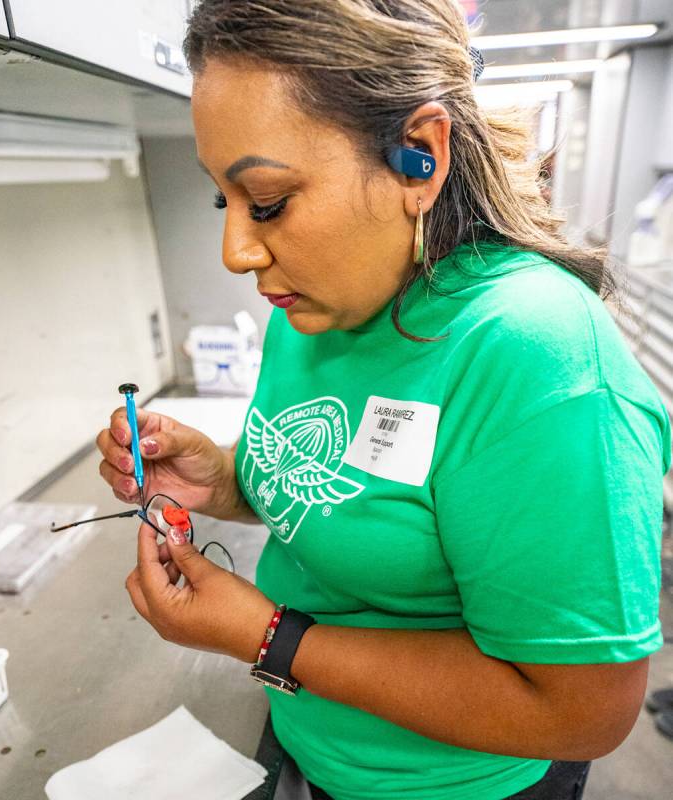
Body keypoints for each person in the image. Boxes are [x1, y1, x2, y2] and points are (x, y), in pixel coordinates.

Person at [95, 2, 671, 798]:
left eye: (267, 202)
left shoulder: (535, 358)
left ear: (418, 156)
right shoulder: (311, 306)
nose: (236, 251)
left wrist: (266, 638)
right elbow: (361, 499)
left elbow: (582, 712)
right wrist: (223, 481)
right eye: (222, 201)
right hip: (309, 733)